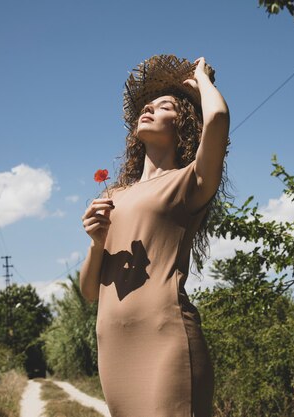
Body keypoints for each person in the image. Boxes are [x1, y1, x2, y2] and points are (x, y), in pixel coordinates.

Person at [79, 54, 230, 417]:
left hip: (166, 337)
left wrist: (201, 81)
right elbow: (89, 292)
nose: (149, 108)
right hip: (114, 344)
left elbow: (218, 118)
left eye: (164, 107)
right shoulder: (113, 196)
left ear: (183, 126)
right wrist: (96, 243)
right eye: (147, 105)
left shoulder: (188, 180)